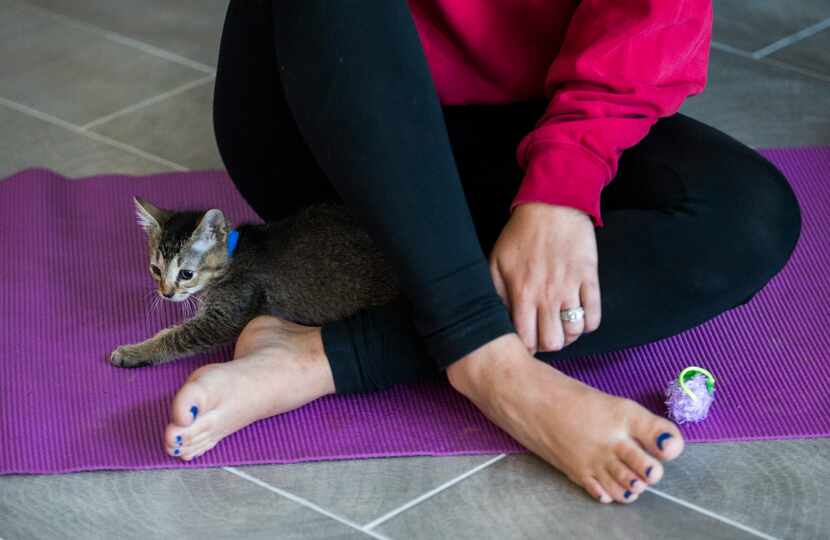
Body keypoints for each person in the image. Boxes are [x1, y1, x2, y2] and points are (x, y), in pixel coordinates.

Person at [162, 0, 801, 505]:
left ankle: (322, 357)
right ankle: (493, 368)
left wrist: (562, 187)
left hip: (522, 119)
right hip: (326, 120)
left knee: (750, 216)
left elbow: (652, 16)